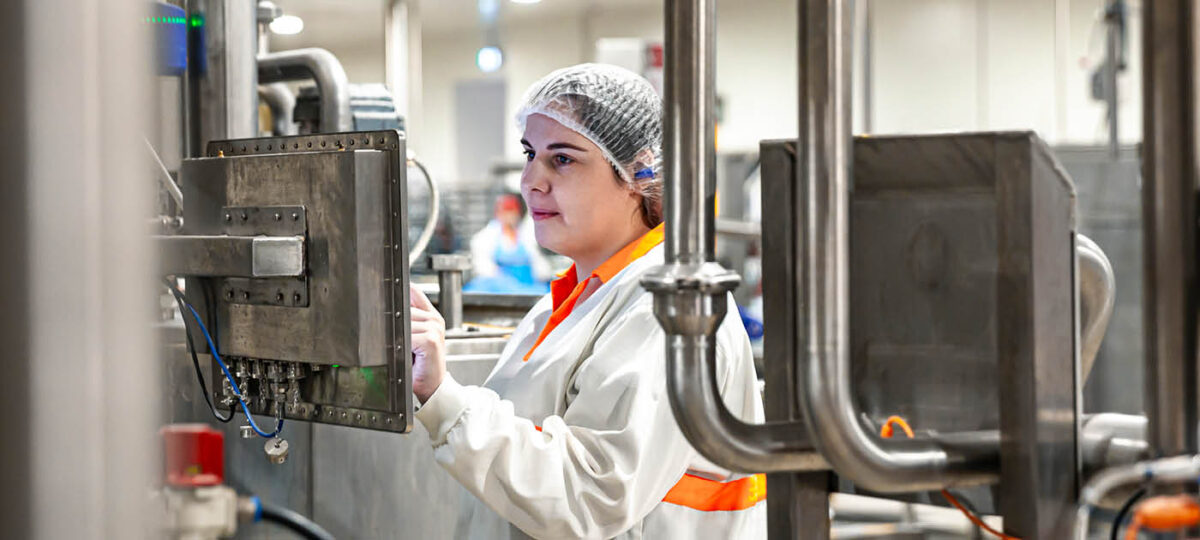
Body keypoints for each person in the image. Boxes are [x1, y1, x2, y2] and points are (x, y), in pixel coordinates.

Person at [409, 63, 765, 540]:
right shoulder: (573, 299)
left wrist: (444, 398)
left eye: (562, 159)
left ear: (639, 171)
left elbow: (590, 495)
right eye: (530, 153)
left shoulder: (668, 310)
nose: (530, 180)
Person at [465, 193, 554, 295]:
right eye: (506, 211)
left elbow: (538, 263)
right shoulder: (486, 237)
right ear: (499, 213)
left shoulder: (526, 235)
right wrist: (503, 281)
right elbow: (484, 268)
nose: (510, 216)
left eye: (513, 212)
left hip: (529, 285)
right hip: (499, 287)